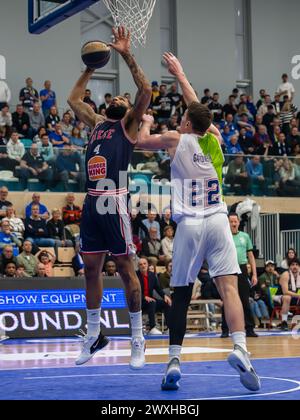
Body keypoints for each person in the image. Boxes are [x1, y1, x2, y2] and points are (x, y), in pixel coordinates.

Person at [138, 52, 260, 392]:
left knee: (180, 295)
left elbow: (140, 142)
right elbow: (197, 108)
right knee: (229, 289)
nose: (179, 120)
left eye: (182, 118)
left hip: (190, 225)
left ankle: (174, 360)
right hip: (219, 220)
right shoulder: (216, 140)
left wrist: (146, 121)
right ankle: (241, 348)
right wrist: (181, 75)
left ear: (188, 124)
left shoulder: (176, 140)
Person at [67, 26, 152, 369]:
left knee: (126, 269)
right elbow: (73, 100)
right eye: (113, 97)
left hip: (112, 200)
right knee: (90, 270)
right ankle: (94, 334)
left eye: (123, 98)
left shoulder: (127, 125)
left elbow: (145, 88)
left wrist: (125, 53)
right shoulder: (97, 123)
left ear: (129, 108)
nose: (117, 98)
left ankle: (136, 337)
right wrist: (90, 66)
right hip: (91, 202)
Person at [221, 213, 258, 338]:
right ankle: (225, 329)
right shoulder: (224, 237)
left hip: (242, 268)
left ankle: (249, 328)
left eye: (235, 221)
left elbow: (251, 256)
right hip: (228, 268)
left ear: (238, 222)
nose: (233, 224)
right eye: (231, 221)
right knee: (227, 299)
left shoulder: (245, 236)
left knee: (244, 299)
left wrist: (254, 274)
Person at [137, 258, 172, 335]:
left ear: (147, 265)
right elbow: (134, 290)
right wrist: (144, 297)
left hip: (150, 301)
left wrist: (164, 296)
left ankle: (169, 328)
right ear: (138, 266)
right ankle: (152, 328)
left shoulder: (152, 275)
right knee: (152, 302)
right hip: (139, 301)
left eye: (144, 263)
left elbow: (158, 288)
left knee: (166, 303)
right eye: (141, 264)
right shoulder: (136, 276)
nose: (143, 266)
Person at [275, 259, 300, 331]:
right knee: (287, 297)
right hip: (279, 297)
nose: (295, 266)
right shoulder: (286, 274)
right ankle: (284, 322)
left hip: (295, 297)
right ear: (289, 267)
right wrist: (298, 295)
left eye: (297, 265)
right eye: (292, 265)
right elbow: (285, 291)